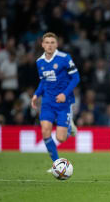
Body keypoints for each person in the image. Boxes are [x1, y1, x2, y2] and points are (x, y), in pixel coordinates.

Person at [31, 32, 79, 172]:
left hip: (64, 103)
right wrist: (36, 95)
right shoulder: (39, 62)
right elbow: (43, 81)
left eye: (52, 42)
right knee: (45, 131)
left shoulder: (65, 58)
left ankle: (70, 126)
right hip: (47, 102)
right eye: (47, 42)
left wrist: (64, 94)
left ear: (56, 44)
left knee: (61, 138)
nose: (49, 45)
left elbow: (76, 78)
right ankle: (57, 164)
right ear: (42, 44)